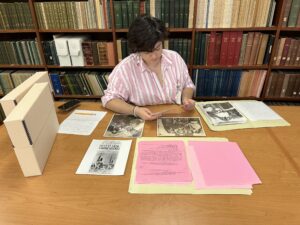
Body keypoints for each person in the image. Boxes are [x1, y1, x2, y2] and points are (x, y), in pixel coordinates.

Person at [101, 15, 196, 120]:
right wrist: (135, 111)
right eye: (147, 52)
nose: (154, 56)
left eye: (157, 48)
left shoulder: (175, 58)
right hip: (143, 122)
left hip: (173, 117)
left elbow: (188, 84)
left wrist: (186, 99)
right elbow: (109, 100)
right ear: (137, 49)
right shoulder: (125, 68)